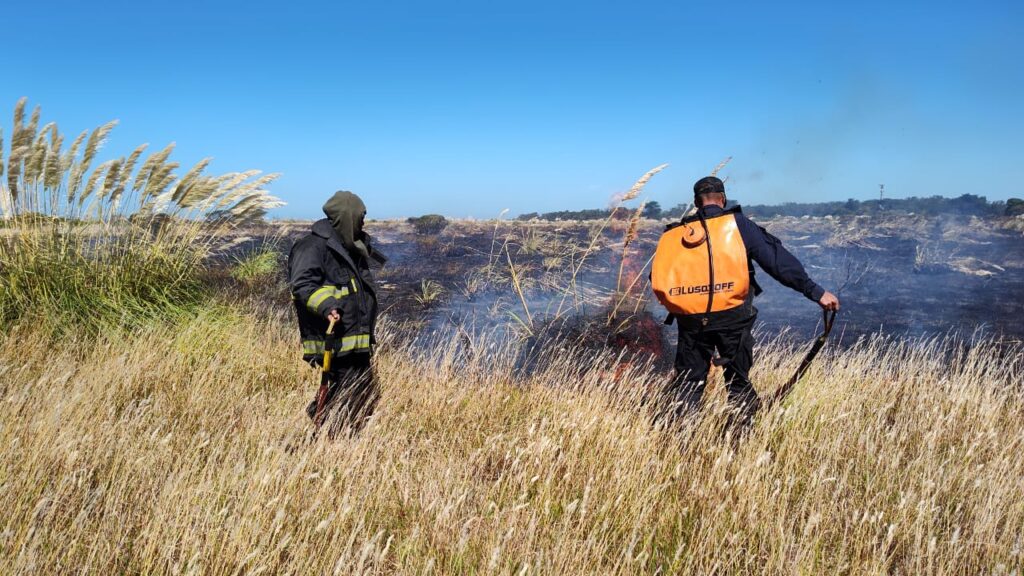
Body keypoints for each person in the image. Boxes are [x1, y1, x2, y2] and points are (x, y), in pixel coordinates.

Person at [651, 176, 840, 430]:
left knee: (688, 383)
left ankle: (680, 446)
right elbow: (777, 262)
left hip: (691, 320)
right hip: (732, 318)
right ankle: (739, 442)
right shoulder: (738, 225)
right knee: (738, 381)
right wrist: (815, 291)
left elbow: (658, 277)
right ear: (723, 199)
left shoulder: (676, 233)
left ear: (696, 203)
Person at [288, 190, 385, 436]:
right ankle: (331, 436)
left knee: (359, 389)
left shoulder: (349, 245)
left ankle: (334, 430)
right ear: (346, 217)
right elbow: (302, 285)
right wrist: (327, 305)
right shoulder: (312, 247)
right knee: (349, 390)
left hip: (355, 337)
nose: (363, 223)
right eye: (360, 217)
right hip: (333, 337)